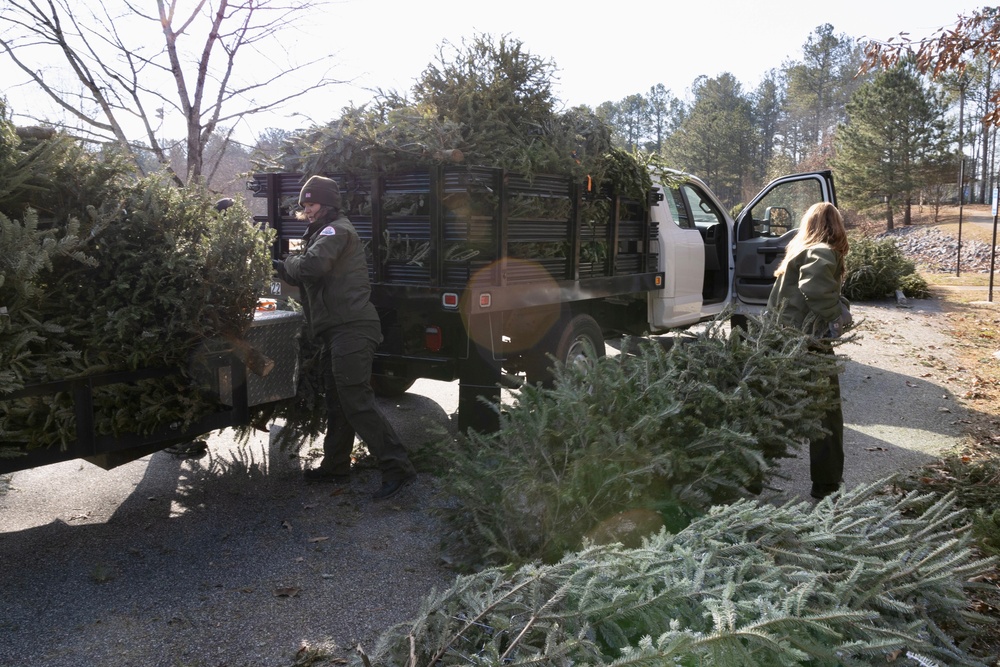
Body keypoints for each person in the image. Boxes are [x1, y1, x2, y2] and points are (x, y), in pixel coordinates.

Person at [272, 175, 416, 501]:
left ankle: (398, 468)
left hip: (352, 328)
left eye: (311, 204)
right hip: (338, 329)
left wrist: (285, 263)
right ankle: (336, 465)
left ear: (327, 204)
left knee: (356, 401)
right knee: (338, 401)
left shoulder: (335, 230)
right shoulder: (323, 231)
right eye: (304, 205)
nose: (306, 210)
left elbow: (310, 267)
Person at [766, 201, 850, 500]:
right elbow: (815, 288)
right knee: (826, 413)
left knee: (772, 411)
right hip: (809, 343)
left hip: (781, 340)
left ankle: (747, 476)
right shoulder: (823, 251)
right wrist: (838, 314)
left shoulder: (798, 250)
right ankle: (826, 484)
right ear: (835, 226)